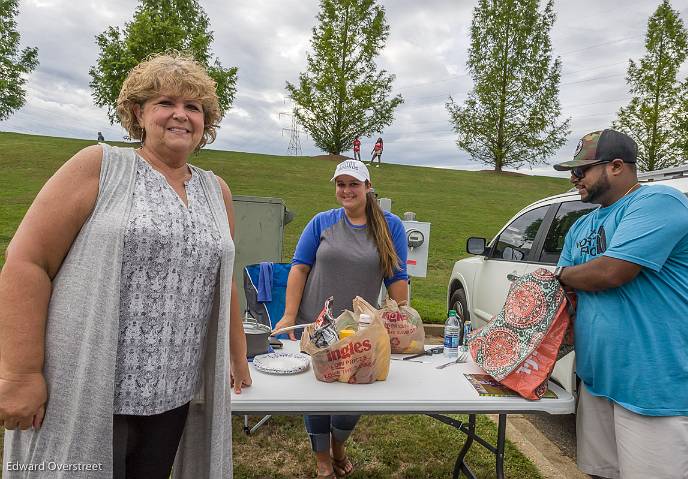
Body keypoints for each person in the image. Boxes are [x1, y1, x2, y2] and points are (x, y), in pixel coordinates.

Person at [0, 53, 251, 479]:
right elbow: (28, 262)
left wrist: (238, 356)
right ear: (138, 112)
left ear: (206, 122)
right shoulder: (100, 166)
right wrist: (19, 373)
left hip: (172, 394)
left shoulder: (216, 190)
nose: (181, 115)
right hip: (86, 390)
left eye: (193, 107)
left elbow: (220, 276)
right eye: (165, 103)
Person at [553, 129, 688, 479]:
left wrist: (565, 275)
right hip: (600, 382)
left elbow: (612, 271)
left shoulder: (658, 202)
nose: (574, 177)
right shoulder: (581, 225)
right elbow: (567, 297)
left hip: (659, 388)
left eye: (582, 170)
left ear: (615, 166)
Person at [272, 159, 408, 479]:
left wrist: (399, 319)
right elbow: (299, 267)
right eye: (340, 184)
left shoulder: (391, 226)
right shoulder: (322, 222)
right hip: (316, 326)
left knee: (355, 393)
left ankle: (339, 445)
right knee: (318, 396)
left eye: (353, 184)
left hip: (359, 331)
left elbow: (397, 277)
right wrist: (289, 315)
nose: (346, 190)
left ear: (368, 187)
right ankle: (322, 460)